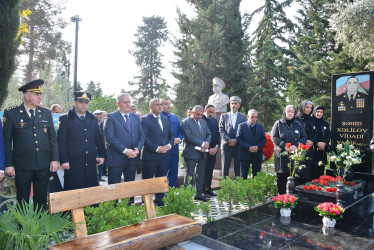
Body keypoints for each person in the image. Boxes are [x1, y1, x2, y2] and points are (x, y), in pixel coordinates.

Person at [3, 79, 59, 209]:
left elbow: (52, 139)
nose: (40, 97)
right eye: (36, 94)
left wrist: (55, 159)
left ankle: (39, 226)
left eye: (40, 94)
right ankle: (23, 228)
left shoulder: (45, 113)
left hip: (43, 164)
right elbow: (6, 141)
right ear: (26, 96)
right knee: (22, 199)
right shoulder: (12, 114)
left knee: (41, 198)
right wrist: (8, 164)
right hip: (22, 165)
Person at [57, 92, 105, 191]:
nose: (84, 105)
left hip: (90, 162)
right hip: (73, 164)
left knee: (91, 192)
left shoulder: (93, 119)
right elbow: (61, 142)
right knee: (74, 193)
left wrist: (102, 155)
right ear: (75, 103)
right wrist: (64, 160)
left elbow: (98, 139)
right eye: (81, 102)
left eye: (86, 102)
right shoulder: (65, 119)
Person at [104, 93, 144, 203]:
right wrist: (125, 150)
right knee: (114, 189)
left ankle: (129, 212)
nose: (128, 104)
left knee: (130, 188)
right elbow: (109, 137)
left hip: (132, 159)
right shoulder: (111, 117)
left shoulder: (135, 117)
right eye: (125, 102)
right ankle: (113, 214)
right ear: (118, 104)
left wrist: (138, 148)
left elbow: (141, 135)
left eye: (129, 102)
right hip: (116, 159)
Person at [142, 98, 174, 206]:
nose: (160, 107)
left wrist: (169, 145)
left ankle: (160, 202)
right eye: (157, 105)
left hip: (164, 155)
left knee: (161, 180)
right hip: (151, 156)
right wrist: (156, 148)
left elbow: (171, 135)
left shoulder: (165, 119)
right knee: (148, 181)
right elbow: (144, 138)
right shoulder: (145, 119)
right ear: (150, 107)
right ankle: (146, 203)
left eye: (161, 104)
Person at [271, 105, 307, 194]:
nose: (290, 113)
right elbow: (274, 136)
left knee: (294, 177)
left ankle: (293, 200)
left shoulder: (298, 124)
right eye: (288, 111)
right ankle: (282, 199)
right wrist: (284, 145)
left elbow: (304, 137)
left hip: (295, 156)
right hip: (281, 157)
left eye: (292, 111)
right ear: (284, 112)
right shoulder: (278, 123)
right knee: (282, 179)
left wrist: (297, 146)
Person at [181, 105, 211, 202]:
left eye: (201, 114)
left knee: (200, 174)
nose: (199, 116)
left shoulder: (203, 122)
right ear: (193, 113)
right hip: (191, 152)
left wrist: (207, 143)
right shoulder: (186, 122)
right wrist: (202, 144)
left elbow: (209, 134)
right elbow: (189, 137)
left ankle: (199, 193)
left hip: (202, 153)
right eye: (198, 114)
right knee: (189, 175)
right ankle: (186, 196)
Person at [219, 96, 247, 178]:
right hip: (226, 145)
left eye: (235, 103)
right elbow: (221, 129)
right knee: (225, 168)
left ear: (239, 105)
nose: (233, 105)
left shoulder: (243, 117)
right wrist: (228, 140)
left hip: (238, 146)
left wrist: (236, 140)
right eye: (231, 103)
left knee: (238, 168)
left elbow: (244, 131)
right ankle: (225, 187)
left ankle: (237, 188)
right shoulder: (223, 116)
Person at [236, 109, 266, 179]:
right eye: (252, 117)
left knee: (257, 176)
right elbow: (238, 138)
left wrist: (258, 147)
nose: (254, 119)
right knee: (243, 175)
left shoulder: (260, 127)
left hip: (257, 154)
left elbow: (263, 139)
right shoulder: (241, 126)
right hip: (245, 153)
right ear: (247, 116)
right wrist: (248, 147)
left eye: (256, 117)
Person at [161, 98, 182, 188]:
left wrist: (179, 139)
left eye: (169, 103)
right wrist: (170, 141)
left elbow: (180, 131)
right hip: (164, 150)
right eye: (166, 104)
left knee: (174, 172)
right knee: (162, 173)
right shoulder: (160, 117)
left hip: (175, 150)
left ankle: (171, 193)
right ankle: (162, 194)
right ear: (161, 106)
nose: (168, 105)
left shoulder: (175, 117)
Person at [295, 100, 317, 182]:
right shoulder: (296, 118)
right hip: (299, 148)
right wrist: (304, 141)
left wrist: (312, 141)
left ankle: (306, 189)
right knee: (299, 169)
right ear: (302, 107)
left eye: (310, 108)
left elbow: (316, 133)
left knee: (308, 170)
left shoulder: (312, 119)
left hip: (310, 147)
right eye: (307, 107)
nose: (309, 109)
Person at [201, 104, 219, 197]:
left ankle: (209, 188)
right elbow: (201, 136)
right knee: (203, 171)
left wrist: (216, 146)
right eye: (210, 112)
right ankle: (202, 189)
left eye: (213, 112)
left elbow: (217, 134)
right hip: (204, 150)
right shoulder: (201, 120)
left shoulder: (214, 120)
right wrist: (208, 149)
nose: (211, 114)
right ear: (205, 110)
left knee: (210, 170)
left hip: (214, 150)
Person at [313, 106, 331, 179]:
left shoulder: (325, 123)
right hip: (314, 149)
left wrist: (323, 144)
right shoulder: (311, 122)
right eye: (318, 112)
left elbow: (328, 135)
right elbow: (310, 135)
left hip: (322, 149)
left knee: (321, 167)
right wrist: (317, 143)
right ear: (314, 112)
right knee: (314, 168)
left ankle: (320, 183)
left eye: (321, 112)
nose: (319, 114)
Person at [94, 110, 106, 181]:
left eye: (101, 114)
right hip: (93, 148)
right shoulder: (92, 124)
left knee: (101, 163)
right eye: (98, 114)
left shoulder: (103, 124)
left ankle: (100, 176)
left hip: (101, 147)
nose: (100, 116)